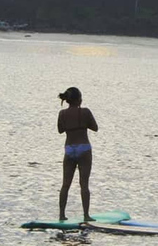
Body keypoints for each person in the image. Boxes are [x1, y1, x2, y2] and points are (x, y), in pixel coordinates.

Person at [57, 87, 98, 222]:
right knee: (84, 184)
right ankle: (86, 215)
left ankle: (62, 215)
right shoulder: (85, 112)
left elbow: (60, 130)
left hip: (69, 149)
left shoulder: (62, 113)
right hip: (84, 148)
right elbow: (95, 128)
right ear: (79, 99)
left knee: (65, 184)